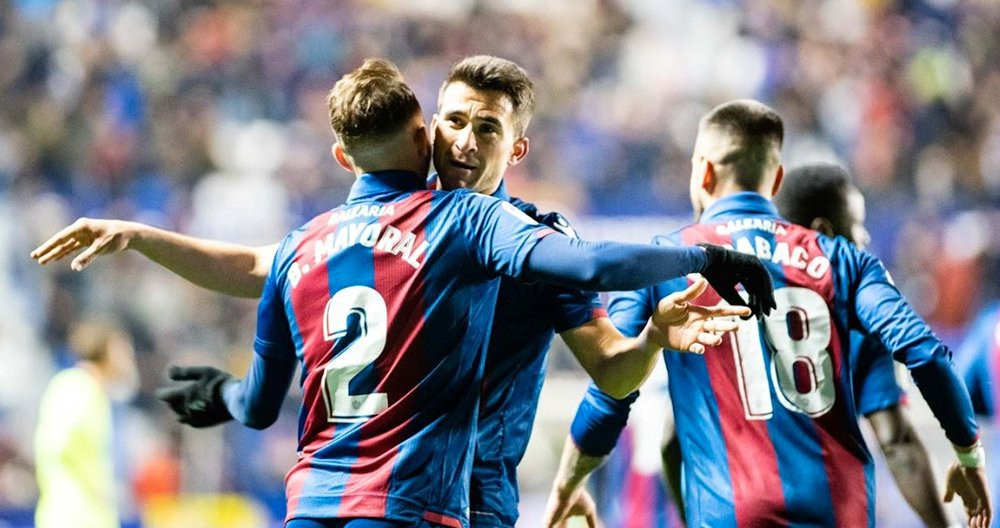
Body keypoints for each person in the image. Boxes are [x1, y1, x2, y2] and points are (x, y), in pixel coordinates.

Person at [30, 55, 768, 527]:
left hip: (471, 495)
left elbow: (612, 366)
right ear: (426, 130)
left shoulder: (524, 233)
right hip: (410, 497)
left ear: (517, 147)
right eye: (452, 121)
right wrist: (145, 236)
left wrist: (652, 339)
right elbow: (259, 266)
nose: (464, 140)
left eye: (487, 126)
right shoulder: (401, 223)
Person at [544, 100, 992, 528]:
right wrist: (968, 454)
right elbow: (927, 355)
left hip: (731, 513)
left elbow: (612, 390)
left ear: (702, 170)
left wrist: (568, 484)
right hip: (840, 510)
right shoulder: (842, 259)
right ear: (775, 181)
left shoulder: (666, 259)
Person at [34, 320, 138, 528]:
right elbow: (55, 443)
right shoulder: (77, 387)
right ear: (105, 350)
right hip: (73, 517)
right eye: (122, 349)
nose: (130, 357)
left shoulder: (93, 392)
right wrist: (98, 487)